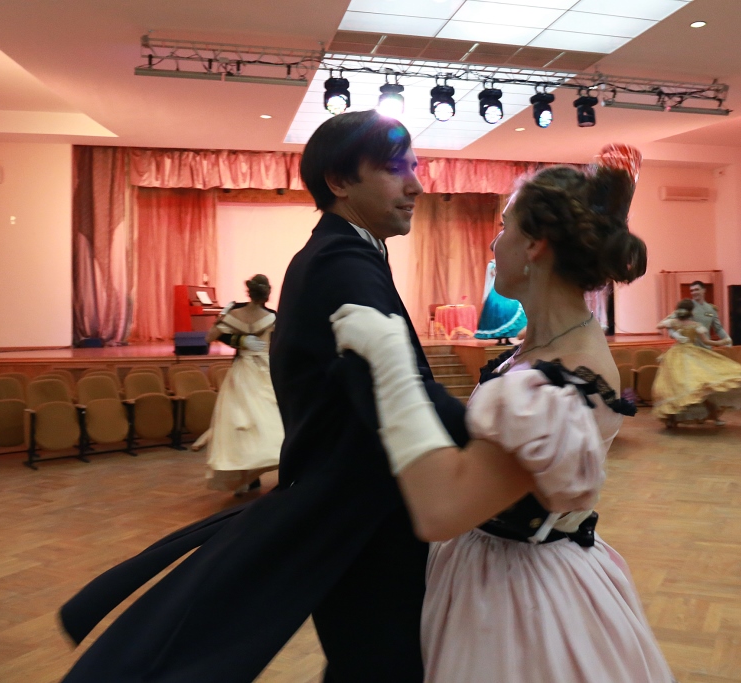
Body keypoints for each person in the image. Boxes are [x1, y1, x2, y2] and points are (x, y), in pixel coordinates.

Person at [58, 112, 469, 682]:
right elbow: (398, 392)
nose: (416, 185)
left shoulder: (344, 254)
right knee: (382, 663)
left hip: (354, 513)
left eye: (414, 169)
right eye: (395, 169)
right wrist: (499, 435)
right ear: (340, 181)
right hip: (363, 519)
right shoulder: (340, 262)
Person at [331, 164, 675, 682]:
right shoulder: (540, 350)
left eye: (503, 226)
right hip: (485, 569)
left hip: (523, 602)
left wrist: (391, 367)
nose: (494, 245)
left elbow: (442, 512)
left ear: (535, 244)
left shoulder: (566, 375)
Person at [191, 274, 283, 496]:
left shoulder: (235, 313)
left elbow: (209, 337)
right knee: (266, 420)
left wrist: (236, 336)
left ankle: (246, 477)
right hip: (264, 371)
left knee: (239, 424)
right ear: (267, 294)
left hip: (242, 372)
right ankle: (267, 467)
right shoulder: (272, 317)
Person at [652, 299, 741, 427]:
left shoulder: (678, 322)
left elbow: (659, 325)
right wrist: (721, 342)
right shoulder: (693, 324)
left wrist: (672, 316)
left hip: (680, 356)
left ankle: (673, 420)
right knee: (697, 387)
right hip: (686, 356)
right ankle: (705, 418)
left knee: (684, 388)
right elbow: (706, 342)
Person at [658, 281, 730, 347]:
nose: (694, 292)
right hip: (689, 349)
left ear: (704, 290)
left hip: (706, 348)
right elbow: (666, 323)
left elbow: (718, 329)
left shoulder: (711, 309)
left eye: (696, 289)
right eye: (692, 291)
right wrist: (674, 334)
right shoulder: (687, 306)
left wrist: (727, 339)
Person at [473, 258, 527, 345]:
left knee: (511, 310)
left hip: (509, 289)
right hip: (497, 290)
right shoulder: (492, 264)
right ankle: (500, 338)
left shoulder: (511, 262)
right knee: (497, 311)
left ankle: (508, 337)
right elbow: (493, 274)